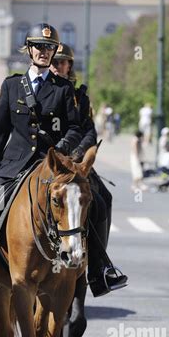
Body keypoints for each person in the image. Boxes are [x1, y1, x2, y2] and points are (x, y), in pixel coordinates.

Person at [0, 23, 82, 296]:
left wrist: (60, 149)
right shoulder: (11, 86)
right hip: (15, 163)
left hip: (49, 164)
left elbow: (75, 128)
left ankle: (97, 266)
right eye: (39, 47)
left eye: (49, 48)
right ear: (29, 49)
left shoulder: (63, 88)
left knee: (86, 204)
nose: (44, 52)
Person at [51, 43, 127, 296]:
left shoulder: (80, 96)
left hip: (77, 162)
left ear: (70, 66)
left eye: (63, 62)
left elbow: (90, 132)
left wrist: (75, 155)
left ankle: (99, 268)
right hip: (47, 161)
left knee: (103, 199)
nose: (59, 66)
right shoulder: (40, 91)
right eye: (55, 62)